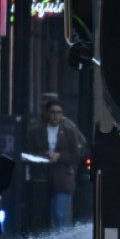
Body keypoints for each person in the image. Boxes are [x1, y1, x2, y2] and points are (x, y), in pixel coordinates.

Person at [27, 99, 80, 230]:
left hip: (62, 178)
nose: (55, 116)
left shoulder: (69, 131)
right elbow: (28, 152)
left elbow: (76, 154)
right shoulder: (35, 131)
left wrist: (60, 156)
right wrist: (45, 155)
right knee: (41, 217)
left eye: (58, 113)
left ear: (62, 114)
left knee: (59, 214)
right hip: (41, 178)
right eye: (52, 112)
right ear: (47, 113)